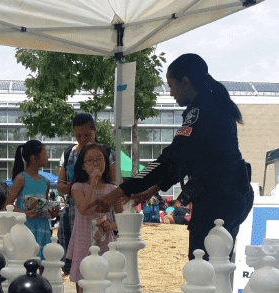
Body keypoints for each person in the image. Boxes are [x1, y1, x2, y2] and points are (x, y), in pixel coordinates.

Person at [86, 53, 253, 261]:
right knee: (217, 263)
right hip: (231, 193)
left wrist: (121, 190)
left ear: (185, 82)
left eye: (172, 85)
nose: (171, 92)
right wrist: (151, 190)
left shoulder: (202, 110)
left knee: (202, 264)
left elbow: (172, 158)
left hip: (219, 198)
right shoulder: (213, 104)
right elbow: (185, 160)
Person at [57, 113, 119, 275]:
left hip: (103, 214)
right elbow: (60, 185)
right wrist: (80, 187)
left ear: (95, 131)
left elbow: (115, 182)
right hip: (74, 213)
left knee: (103, 260)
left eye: (87, 134)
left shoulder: (107, 152)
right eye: (78, 135)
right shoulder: (68, 153)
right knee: (78, 261)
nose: (83, 139)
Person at [67, 143, 123, 293]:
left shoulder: (112, 189)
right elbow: (83, 209)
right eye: (90, 161)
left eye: (99, 160)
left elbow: (121, 217)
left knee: (104, 273)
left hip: (104, 238)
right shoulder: (78, 186)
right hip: (84, 237)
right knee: (83, 274)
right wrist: (92, 184)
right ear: (83, 166)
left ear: (106, 163)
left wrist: (112, 225)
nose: (96, 164)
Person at [4, 140, 56, 261]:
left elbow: (44, 206)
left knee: (43, 264)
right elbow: (7, 205)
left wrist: (52, 213)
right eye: (45, 154)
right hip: (25, 229)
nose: (47, 157)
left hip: (43, 229)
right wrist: (25, 213)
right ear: (34, 158)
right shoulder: (21, 178)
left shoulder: (46, 182)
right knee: (26, 262)